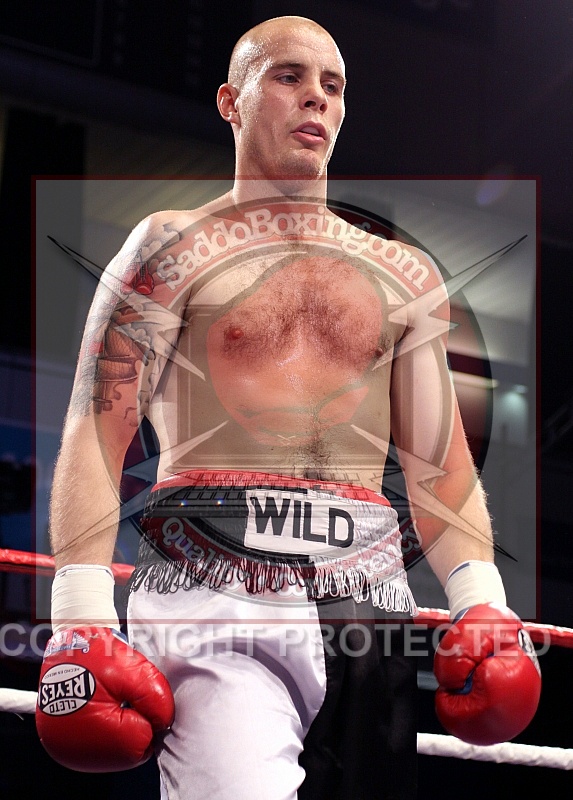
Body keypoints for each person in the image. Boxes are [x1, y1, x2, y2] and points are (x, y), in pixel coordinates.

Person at [35, 15, 541, 800]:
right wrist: (80, 618)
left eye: (332, 86)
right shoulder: (171, 245)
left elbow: (439, 465)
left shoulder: (401, 273)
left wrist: (482, 603)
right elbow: (97, 433)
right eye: (288, 76)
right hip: (212, 577)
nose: (316, 98)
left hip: (371, 598)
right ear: (230, 101)